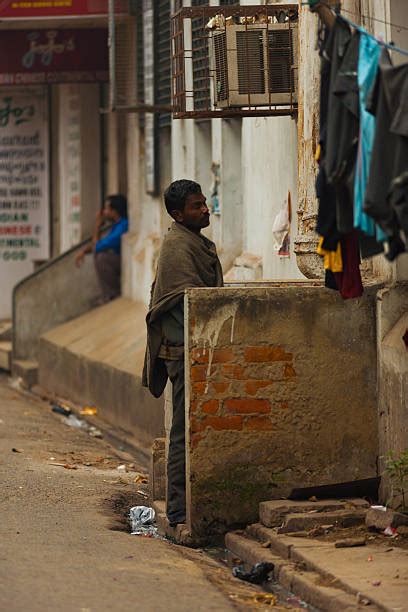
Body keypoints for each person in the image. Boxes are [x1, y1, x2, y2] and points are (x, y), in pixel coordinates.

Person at [143, 179, 223, 527]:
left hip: (194, 349)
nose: (205, 210)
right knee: (181, 432)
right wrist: (189, 349)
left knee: (194, 427)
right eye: (196, 206)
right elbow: (181, 302)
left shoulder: (195, 241)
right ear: (178, 214)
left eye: (204, 203)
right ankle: (177, 511)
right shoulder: (177, 246)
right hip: (180, 350)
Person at [75, 194, 128, 303]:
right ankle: (107, 294)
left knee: (102, 258)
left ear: (114, 211)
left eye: (107, 209)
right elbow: (100, 244)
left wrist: (97, 225)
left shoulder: (123, 225)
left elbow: (97, 246)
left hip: (125, 262)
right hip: (120, 260)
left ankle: (112, 294)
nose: (104, 212)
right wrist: (84, 251)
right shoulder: (116, 225)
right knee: (100, 256)